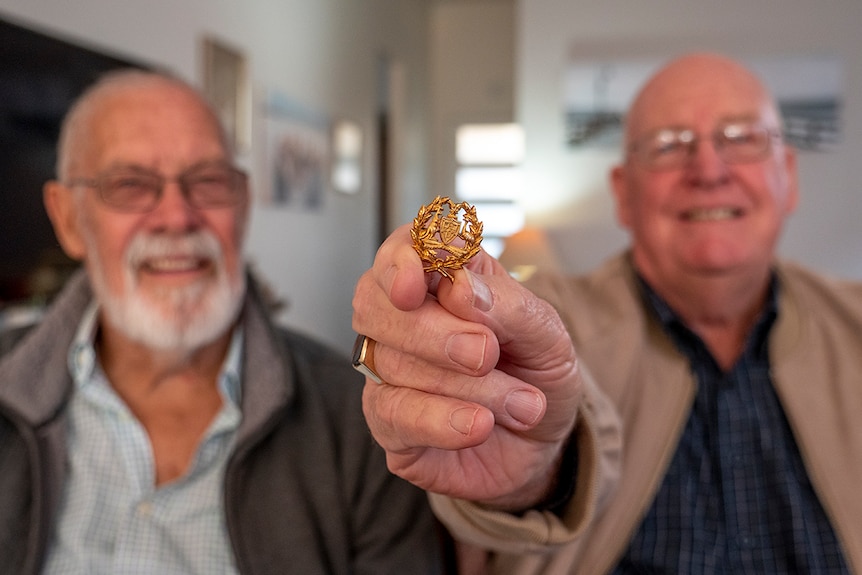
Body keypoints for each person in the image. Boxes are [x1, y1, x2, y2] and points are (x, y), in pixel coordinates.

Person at [351, 53, 862, 573]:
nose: (709, 170)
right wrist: (538, 472)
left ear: (788, 176)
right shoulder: (539, 323)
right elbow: (551, 426)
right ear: (624, 193)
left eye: (741, 137)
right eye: (669, 145)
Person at [0, 69, 447, 575]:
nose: (177, 216)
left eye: (208, 181)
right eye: (130, 185)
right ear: (68, 220)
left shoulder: (361, 419)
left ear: (241, 203)